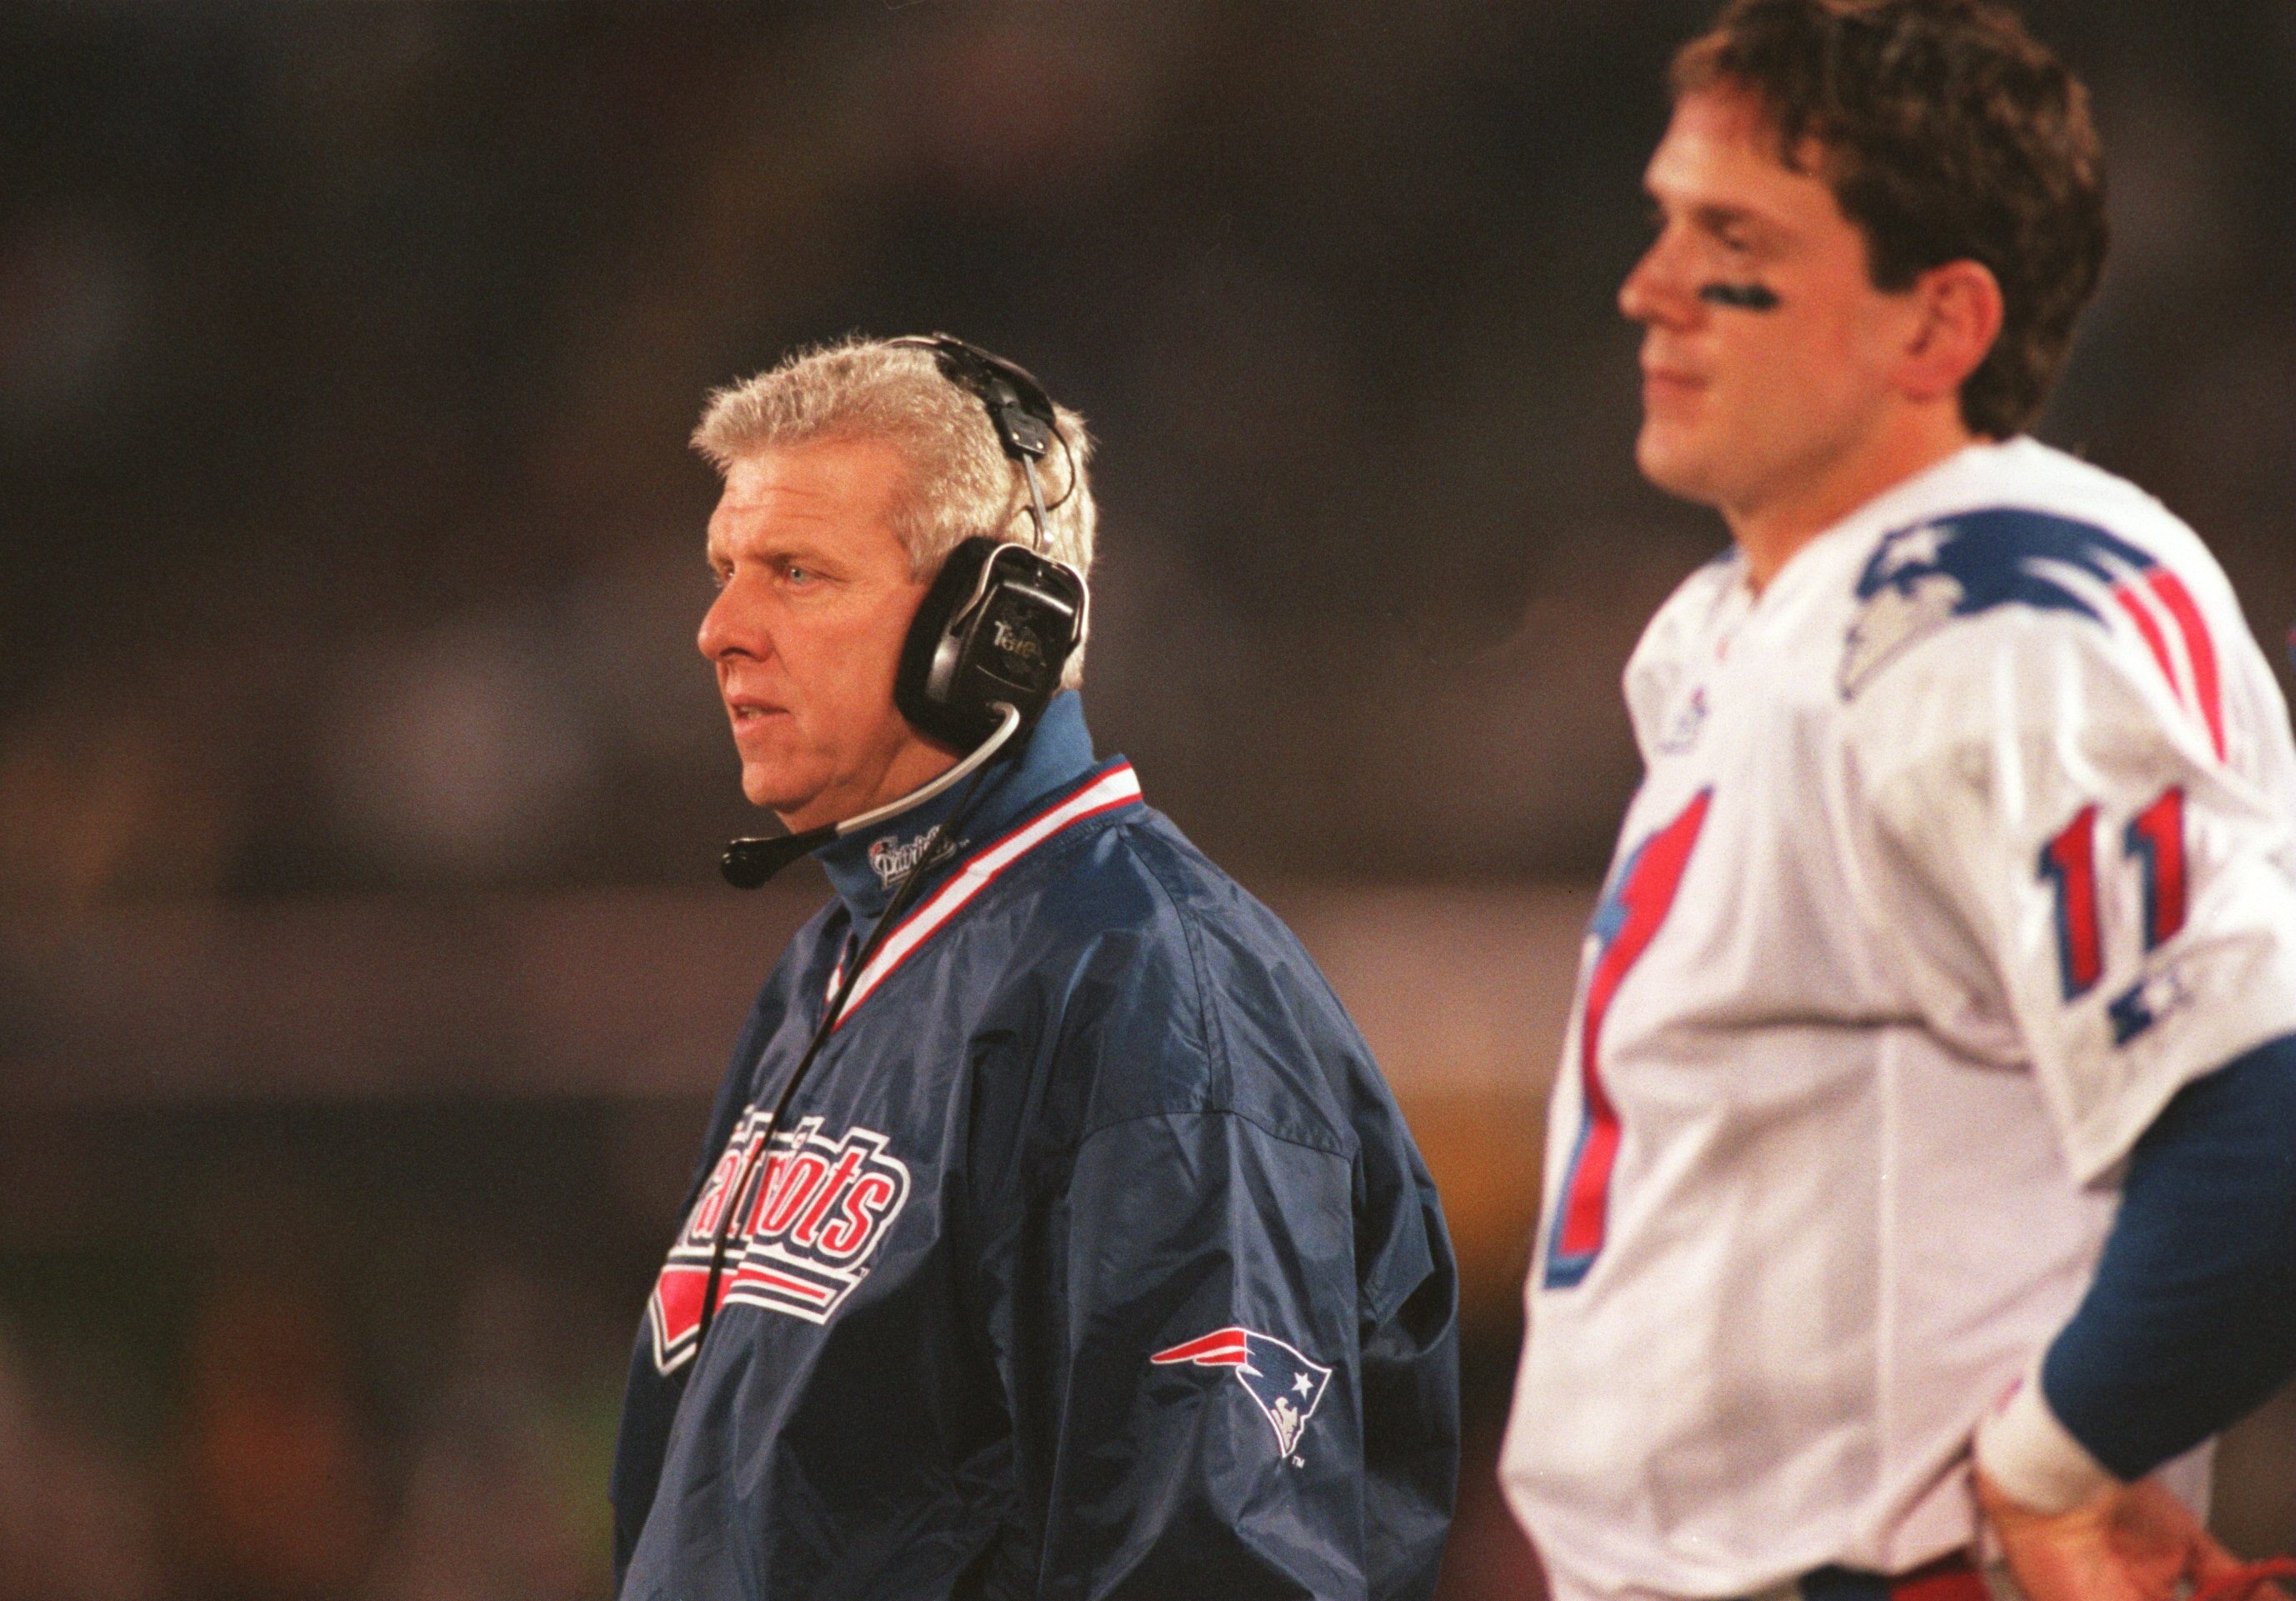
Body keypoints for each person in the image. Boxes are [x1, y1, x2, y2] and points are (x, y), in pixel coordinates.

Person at [1498, 3, 2296, 1599]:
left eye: (1732, 239)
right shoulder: (1756, 620)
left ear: (1937, 325)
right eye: (1666, 220)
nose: (1647, 287)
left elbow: (2265, 1111)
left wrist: (2051, 1463)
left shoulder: (1994, 613)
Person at [608, 334, 1459, 1600]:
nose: (721, 629)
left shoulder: (1154, 993)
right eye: (729, 570)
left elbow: (1213, 1569)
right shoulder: (832, 970)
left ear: (997, 626)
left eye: (797, 572)